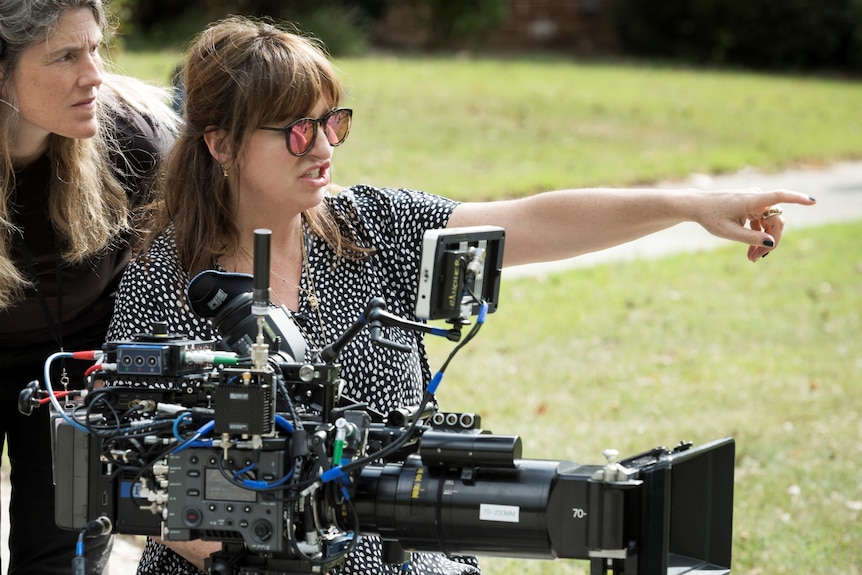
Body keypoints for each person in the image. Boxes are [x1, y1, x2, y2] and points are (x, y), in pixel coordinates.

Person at [105, 15, 816, 575]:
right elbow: (131, 473)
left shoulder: (372, 227)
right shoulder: (163, 277)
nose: (323, 148)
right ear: (221, 145)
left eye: (333, 122)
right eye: (296, 131)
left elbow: (530, 221)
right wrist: (261, 549)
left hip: (414, 561)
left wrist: (689, 205)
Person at [0, 1, 178, 573]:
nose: (95, 75)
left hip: (75, 355)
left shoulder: (133, 136)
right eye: (66, 56)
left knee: (63, 553)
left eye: (95, 49)